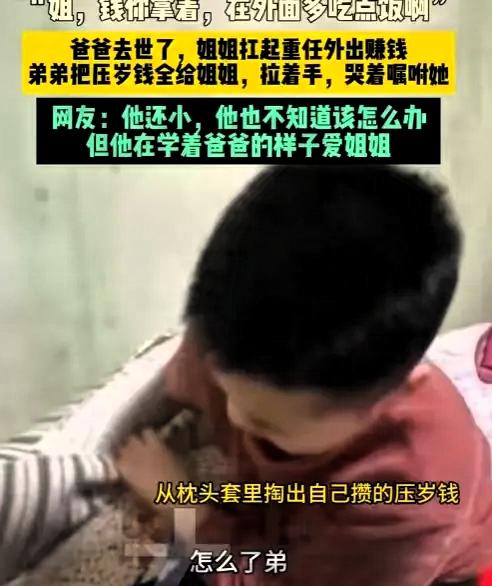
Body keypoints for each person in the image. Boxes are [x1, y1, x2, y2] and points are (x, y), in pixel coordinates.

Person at [114, 165, 492, 586]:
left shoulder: (410, 503)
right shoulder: (229, 331)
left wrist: (181, 504)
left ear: (377, 406)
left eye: (267, 425)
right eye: (224, 388)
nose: (234, 415)